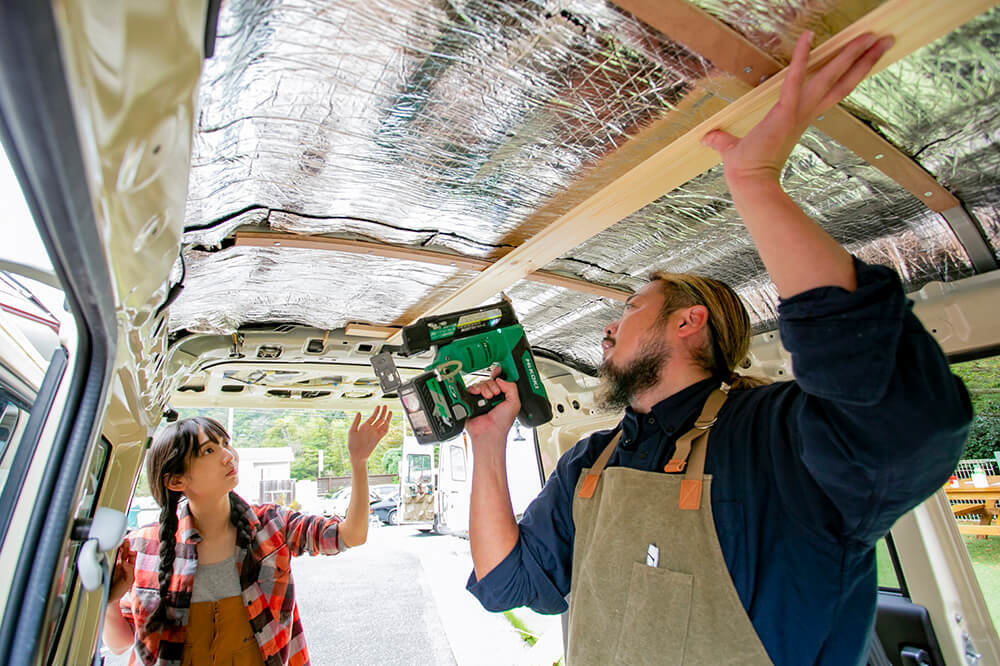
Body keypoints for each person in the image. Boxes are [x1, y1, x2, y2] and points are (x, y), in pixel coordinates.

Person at [463, 31, 972, 665]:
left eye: (629, 309)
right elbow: (510, 583)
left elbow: (904, 423)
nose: (606, 330)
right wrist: (487, 445)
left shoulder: (777, 438)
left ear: (688, 323)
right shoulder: (589, 465)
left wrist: (756, 183)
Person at [102, 406, 393, 666]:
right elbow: (121, 642)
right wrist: (111, 601)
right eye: (208, 451)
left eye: (225, 444)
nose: (228, 456)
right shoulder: (142, 547)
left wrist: (359, 462)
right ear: (176, 480)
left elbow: (351, 535)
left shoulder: (273, 524)